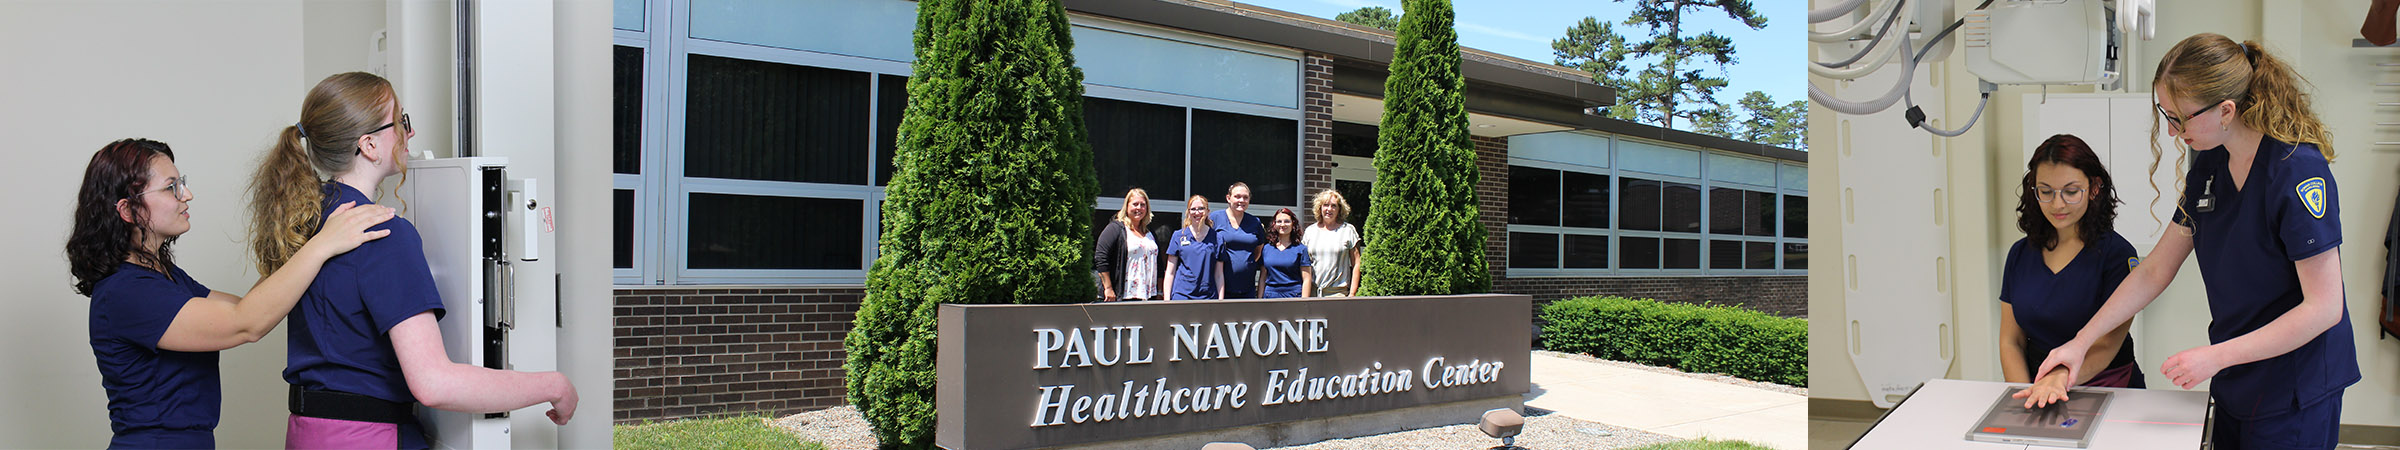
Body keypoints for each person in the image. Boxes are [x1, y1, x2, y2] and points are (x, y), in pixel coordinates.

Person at [2027, 35, 2357, 450]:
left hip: (2296, 384)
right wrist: (2080, 343)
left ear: (2226, 110)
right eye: (2165, 114)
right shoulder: (2210, 164)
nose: (2170, 130)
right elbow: (2154, 270)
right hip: (2238, 375)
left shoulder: (2296, 172)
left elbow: (2324, 308)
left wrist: (2215, 357)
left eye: (2180, 118)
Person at [249, 72, 577, 449]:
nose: (411, 133)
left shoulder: (305, 219)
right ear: (369, 144)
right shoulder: (382, 233)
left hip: (308, 434)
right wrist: (554, 384)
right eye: (401, 122)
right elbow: (433, 383)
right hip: (366, 438)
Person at [68, 138, 394, 449]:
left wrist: (300, 238)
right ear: (127, 210)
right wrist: (323, 245)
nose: (187, 194)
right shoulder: (127, 292)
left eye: (182, 182)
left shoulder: (161, 276)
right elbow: (246, 323)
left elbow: (248, 307)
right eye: (171, 187)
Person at [1999, 135, 2145, 401]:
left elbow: (2108, 343)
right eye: (2046, 191)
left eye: (2070, 191)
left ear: (2094, 188)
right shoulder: (2019, 254)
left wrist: (2058, 380)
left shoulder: (2118, 256)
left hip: (2107, 387)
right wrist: (2024, 394)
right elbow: (2011, 341)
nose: (2057, 204)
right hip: (2039, 389)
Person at [1094, 188, 1170, 301]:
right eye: (1135, 204)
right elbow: (1101, 257)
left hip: (1148, 296)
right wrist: (1108, 288)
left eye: (1142, 205)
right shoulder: (1115, 228)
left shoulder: (1150, 232)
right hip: (1123, 295)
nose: (1139, 208)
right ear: (1127, 206)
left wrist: (1159, 291)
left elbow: (1158, 264)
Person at [1301, 189, 1364, 297]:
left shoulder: (1348, 230)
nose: (1329, 209)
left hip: (1338, 294)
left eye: (1333, 206)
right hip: (1313, 293)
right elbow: (1304, 265)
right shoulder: (1310, 231)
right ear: (1319, 207)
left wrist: (1352, 293)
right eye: (1325, 205)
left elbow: (1357, 264)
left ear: (1339, 209)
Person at [1163, 195, 1227, 300]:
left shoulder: (1217, 238)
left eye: (1201, 208)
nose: (1197, 212)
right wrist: (1166, 299)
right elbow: (1170, 272)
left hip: (1208, 297)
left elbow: (1219, 274)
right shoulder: (1178, 236)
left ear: (1208, 212)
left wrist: (1220, 300)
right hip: (1182, 295)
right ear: (1188, 213)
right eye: (1193, 209)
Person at [1213, 183, 1265, 298]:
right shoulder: (1215, 218)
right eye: (1237, 196)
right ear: (1228, 198)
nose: (1242, 200)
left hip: (1247, 288)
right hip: (1220, 288)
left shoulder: (1254, 222)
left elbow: (1258, 250)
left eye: (1245, 197)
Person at [1257, 208, 1314, 298]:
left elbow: (1306, 279)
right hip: (1270, 295)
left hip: (1293, 295)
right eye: (1279, 221)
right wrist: (1259, 300)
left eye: (1287, 221)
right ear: (1274, 224)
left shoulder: (1301, 249)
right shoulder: (1266, 249)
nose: (1282, 225)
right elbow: (1262, 277)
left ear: (1293, 224)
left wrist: (1304, 303)